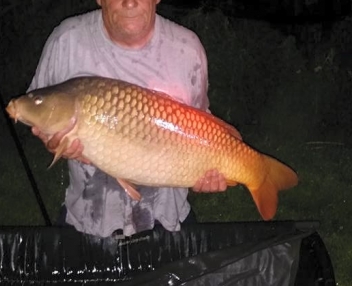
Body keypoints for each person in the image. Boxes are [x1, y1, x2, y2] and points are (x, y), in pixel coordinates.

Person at [30, 0, 229, 237]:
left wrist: (209, 169)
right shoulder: (67, 41)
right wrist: (53, 141)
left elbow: (201, 125)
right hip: (88, 219)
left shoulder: (187, 49)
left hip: (167, 220)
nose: (130, 2)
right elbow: (44, 116)